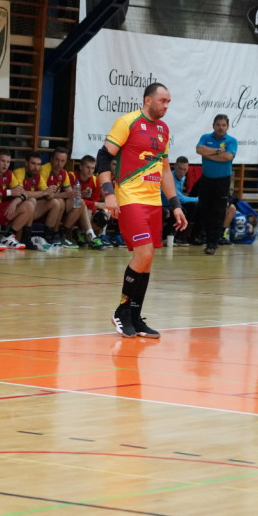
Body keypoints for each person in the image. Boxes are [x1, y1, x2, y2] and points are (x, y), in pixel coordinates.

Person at [96, 82, 187, 338]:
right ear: (148, 100)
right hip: (130, 197)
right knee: (143, 253)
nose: (166, 106)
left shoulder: (164, 129)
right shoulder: (128, 122)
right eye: (162, 101)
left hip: (153, 202)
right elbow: (103, 157)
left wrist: (175, 204)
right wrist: (109, 194)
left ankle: (135, 316)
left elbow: (165, 171)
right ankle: (122, 311)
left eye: (169, 102)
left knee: (147, 260)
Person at [41, 147, 102, 249]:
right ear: (51, 159)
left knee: (80, 203)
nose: (59, 164)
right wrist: (65, 195)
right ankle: (85, 234)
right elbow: (46, 194)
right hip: (42, 202)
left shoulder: (64, 173)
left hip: (59, 203)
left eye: (62, 161)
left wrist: (78, 195)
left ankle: (66, 235)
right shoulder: (45, 170)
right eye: (57, 160)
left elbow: (71, 194)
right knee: (58, 202)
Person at [194, 114, 237, 255]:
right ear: (213, 126)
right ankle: (205, 238)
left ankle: (213, 243)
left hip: (222, 181)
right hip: (206, 179)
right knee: (204, 210)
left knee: (218, 212)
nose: (220, 128)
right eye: (218, 125)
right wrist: (217, 151)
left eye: (223, 125)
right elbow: (199, 150)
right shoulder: (206, 137)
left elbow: (227, 157)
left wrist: (208, 154)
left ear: (227, 127)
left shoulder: (231, 141)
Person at [12, 151, 63, 251]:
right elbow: (22, 193)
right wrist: (44, 193)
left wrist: (50, 191)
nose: (36, 167)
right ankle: (26, 238)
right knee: (31, 201)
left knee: (55, 203)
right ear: (26, 163)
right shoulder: (19, 173)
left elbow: (49, 195)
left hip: (29, 208)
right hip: (15, 208)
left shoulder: (38, 176)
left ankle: (47, 237)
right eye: (33, 163)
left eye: (39, 164)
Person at [163, 156, 199, 245]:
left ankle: (184, 237)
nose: (182, 172)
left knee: (193, 206)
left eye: (184, 170)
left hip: (172, 204)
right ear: (174, 166)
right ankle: (167, 236)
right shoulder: (170, 177)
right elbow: (179, 198)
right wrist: (200, 199)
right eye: (180, 169)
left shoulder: (183, 178)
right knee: (183, 210)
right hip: (163, 204)